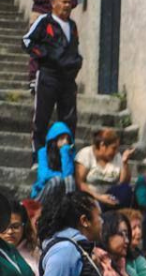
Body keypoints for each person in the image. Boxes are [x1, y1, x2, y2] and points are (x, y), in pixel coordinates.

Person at [23, 0, 80, 160]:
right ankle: (38, 157)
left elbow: (74, 47)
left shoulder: (73, 26)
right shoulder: (44, 21)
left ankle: (65, 158)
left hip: (67, 80)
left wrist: (77, 60)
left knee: (69, 120)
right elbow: (27, 41)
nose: (67, 5)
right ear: (53, 3)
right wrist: (45, 55)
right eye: (64, 2)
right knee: (42, 118)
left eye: (70, 2)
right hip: (48, 77)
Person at [74, 128, 132, 209]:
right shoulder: (86, 154)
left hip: (111, 197)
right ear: (102, 145)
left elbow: (123, 182)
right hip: (92, 198)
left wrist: (125, 163)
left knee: (126, 190)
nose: (116, 152)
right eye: (113, 148)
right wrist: (99, 197)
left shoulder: (117, 156)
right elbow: (80, 183)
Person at [32, 120, 73, 198]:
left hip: (59, 197)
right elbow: (43, 176)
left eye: (67, 139)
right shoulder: (43, 152)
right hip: (42, 196)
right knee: (56, 180)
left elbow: (68, 175)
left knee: (70, 179)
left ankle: (68, 207)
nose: (65, 142)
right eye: (62, 138)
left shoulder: (68, 154)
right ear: (54, 139)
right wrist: (61, 176)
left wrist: (64, 154)